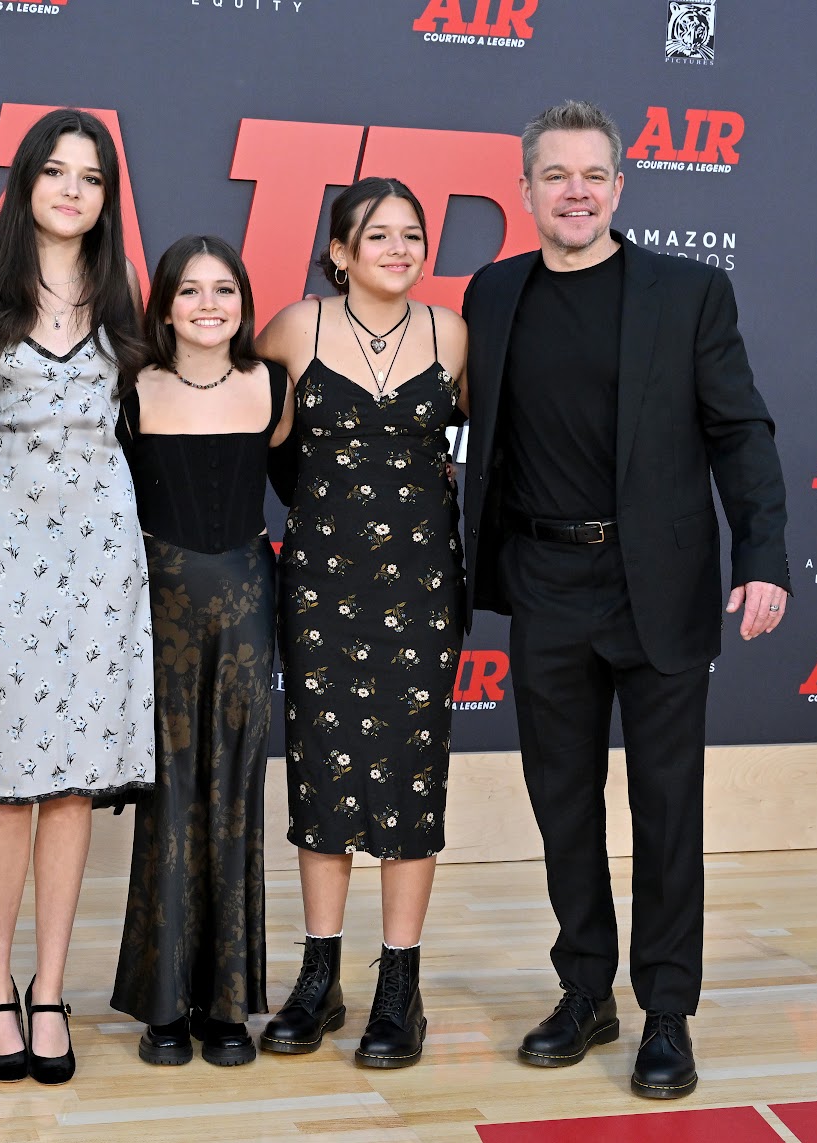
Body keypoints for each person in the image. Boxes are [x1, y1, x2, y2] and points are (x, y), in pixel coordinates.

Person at [460, 99, 790, 1099]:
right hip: (545, 583)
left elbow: (740, 431)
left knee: (666, 810)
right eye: (554, 176)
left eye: (592, 175)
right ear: (524, 191)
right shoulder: (491, 293)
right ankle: (585, 990)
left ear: (619, 187)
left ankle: (668, 1015)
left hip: (659, 588)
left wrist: (762, 556)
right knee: (562, 805)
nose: (574, 193)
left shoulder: (687, 293)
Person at [0, 107, 154, 1087]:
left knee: (73, 778)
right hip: (2, 545)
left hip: (103, 550)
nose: (72, 189)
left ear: (108, 198)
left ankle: (52, 988)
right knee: (7, 780)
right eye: (56, 171)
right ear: (25, 182)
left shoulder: (123, 294)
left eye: (92, 176)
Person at [256, 178, 468, 1069]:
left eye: (411, 234)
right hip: (321, 586)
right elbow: (259, 449)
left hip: (421, 591)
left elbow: (467, 453)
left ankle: (400, 986)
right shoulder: (291, 329)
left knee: (411, 780)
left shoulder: (451, 334)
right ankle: (319, 977)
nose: (397, 248)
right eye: (375, 235)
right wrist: (319, 519)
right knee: (324, 775)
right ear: (338, 252)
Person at [109, 235, 294, 1067]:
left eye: (225, 289)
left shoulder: (273, 386)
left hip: (251, 604)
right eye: (191, 290)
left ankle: (227, 1005)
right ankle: (165, 1004)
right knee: (170, 798)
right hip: (159, 605)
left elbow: (304, 489)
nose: (209, 304)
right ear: (165, 306)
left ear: (245, 304)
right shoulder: (131, 390)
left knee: (235, 798)